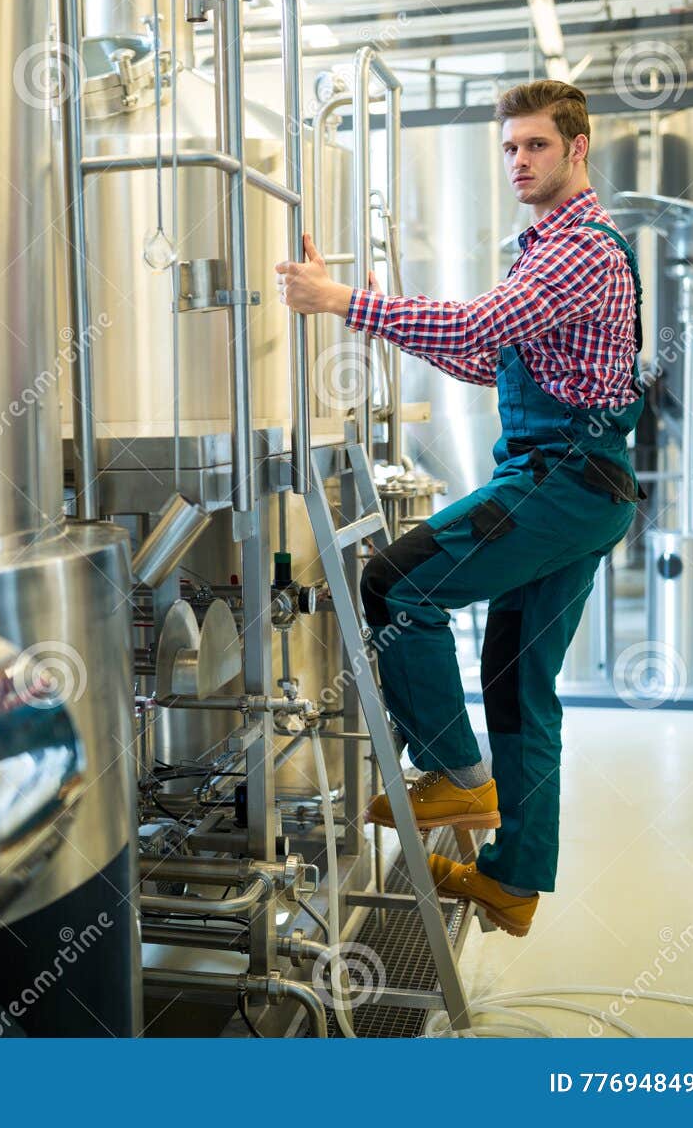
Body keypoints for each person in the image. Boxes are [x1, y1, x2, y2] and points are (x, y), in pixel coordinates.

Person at [274, 80, 645, 937]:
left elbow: (479, 328)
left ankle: (455, 777)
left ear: (578, 147)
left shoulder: (578, 248)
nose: (519, 160)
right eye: (509, 147)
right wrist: (378, 317)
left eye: (536, 145)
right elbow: (490, 360)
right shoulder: (543, 249)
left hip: (562, 480)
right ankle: (513, 880)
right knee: (518, 683)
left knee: (395, 582)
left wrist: (343, 302)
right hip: (582, 486)